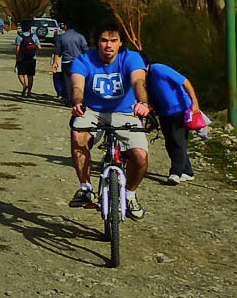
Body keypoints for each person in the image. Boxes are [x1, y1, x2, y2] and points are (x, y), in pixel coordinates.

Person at [69, 22, 151, 219]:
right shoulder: (84, 60)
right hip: (93, 110)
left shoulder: (131, 58)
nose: (108, 45)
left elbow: (138, 81)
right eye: (104, 40)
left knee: (140, 156)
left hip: (125, 111)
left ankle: (130, 194)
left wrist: (143, 103)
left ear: (120, 42)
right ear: (97, 42)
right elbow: (77, 87)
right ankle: (86, 187)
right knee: (78, 136)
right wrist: (78, 102)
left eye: (113, 41)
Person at [146, 61, 201, 185]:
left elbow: (185, 81)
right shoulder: (145, 79)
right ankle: (187, 171)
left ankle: (175, 172)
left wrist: (195, 103)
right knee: (170, 143)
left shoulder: (158, 69)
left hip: (180, 109)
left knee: (178, 141)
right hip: (164, 113)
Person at [51, 22, 90, 105]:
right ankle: (79, 100)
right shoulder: (80, 36)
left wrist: (55, 62)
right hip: (79, 62)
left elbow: (57, 51)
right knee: (79, 81)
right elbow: (85, 49)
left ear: (66, 26)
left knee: (67, 81)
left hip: (66, 62)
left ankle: (69, 100)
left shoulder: (62, 37)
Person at [15, 25, 42, 96]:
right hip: (32, 58)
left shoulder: (19, 37)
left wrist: (17, 59)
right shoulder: (34, 36)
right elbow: (39, 47)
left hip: (22, 59)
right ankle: (29, 92)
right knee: (30, 75)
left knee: (20, 74)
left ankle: (24, 85)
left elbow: (17, 49)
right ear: (30, 29)